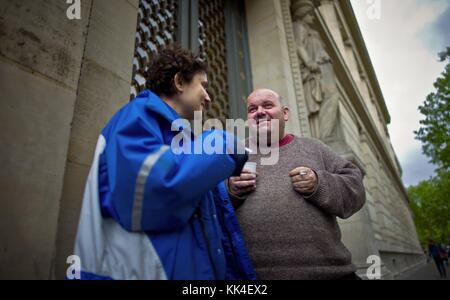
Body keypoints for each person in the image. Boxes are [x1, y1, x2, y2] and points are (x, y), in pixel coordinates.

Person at [73, 45, 255, 280]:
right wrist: (222, 144)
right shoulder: (136, 117)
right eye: (204, 86)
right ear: (179, 81)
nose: (209, 97)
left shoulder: (179, 136)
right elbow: (155, 189)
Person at [227, 88, 366, 280]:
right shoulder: (233, 152)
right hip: (254, 278)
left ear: (285, 113)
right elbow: (208, 205)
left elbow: (355, 189)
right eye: (252, 109)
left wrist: (320, 184)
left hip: (330, 274)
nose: (259, 112)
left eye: (268, 105)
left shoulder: (314, 148)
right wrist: (230, 191)